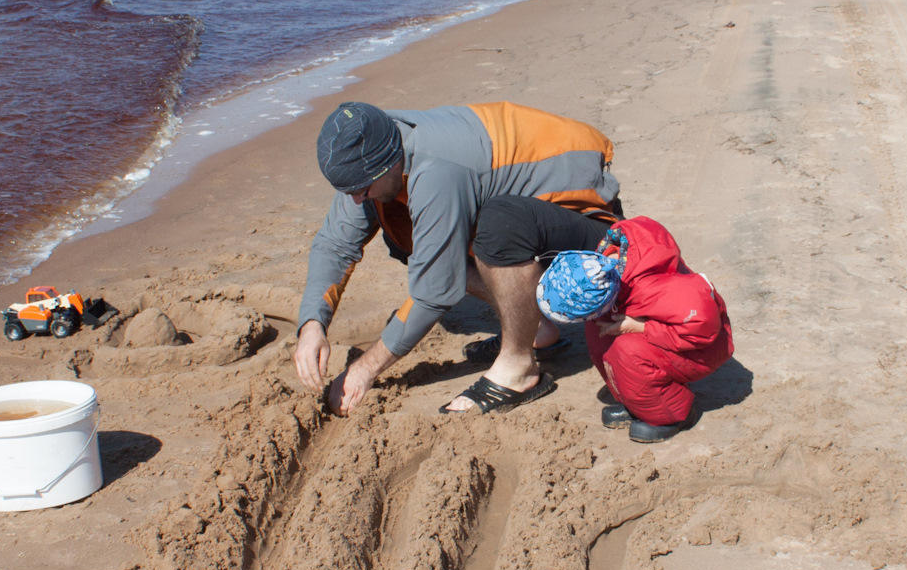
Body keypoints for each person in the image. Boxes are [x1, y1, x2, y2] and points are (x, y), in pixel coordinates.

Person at [294, 100, 623, 416]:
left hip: (593, 229)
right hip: (531, 218)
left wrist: (365, 369)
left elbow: (433, 292)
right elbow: (335, 245)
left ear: (389, 162)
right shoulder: (373, 152)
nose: (354, 199)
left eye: (361, 189)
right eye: (347, 189)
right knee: (405, 232)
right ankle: (537, 329)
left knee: (495, 228)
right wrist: (312, 324)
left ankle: (519, 369)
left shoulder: (436, 170)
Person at [536, 217, 732, 443]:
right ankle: (639, 402)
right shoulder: (607, 265)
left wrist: (642, 327)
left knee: (628, 350)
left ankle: (672, 414)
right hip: (665, 325)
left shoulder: (659, 289)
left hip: (703, 344)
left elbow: (701, 328)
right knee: (599, 331)